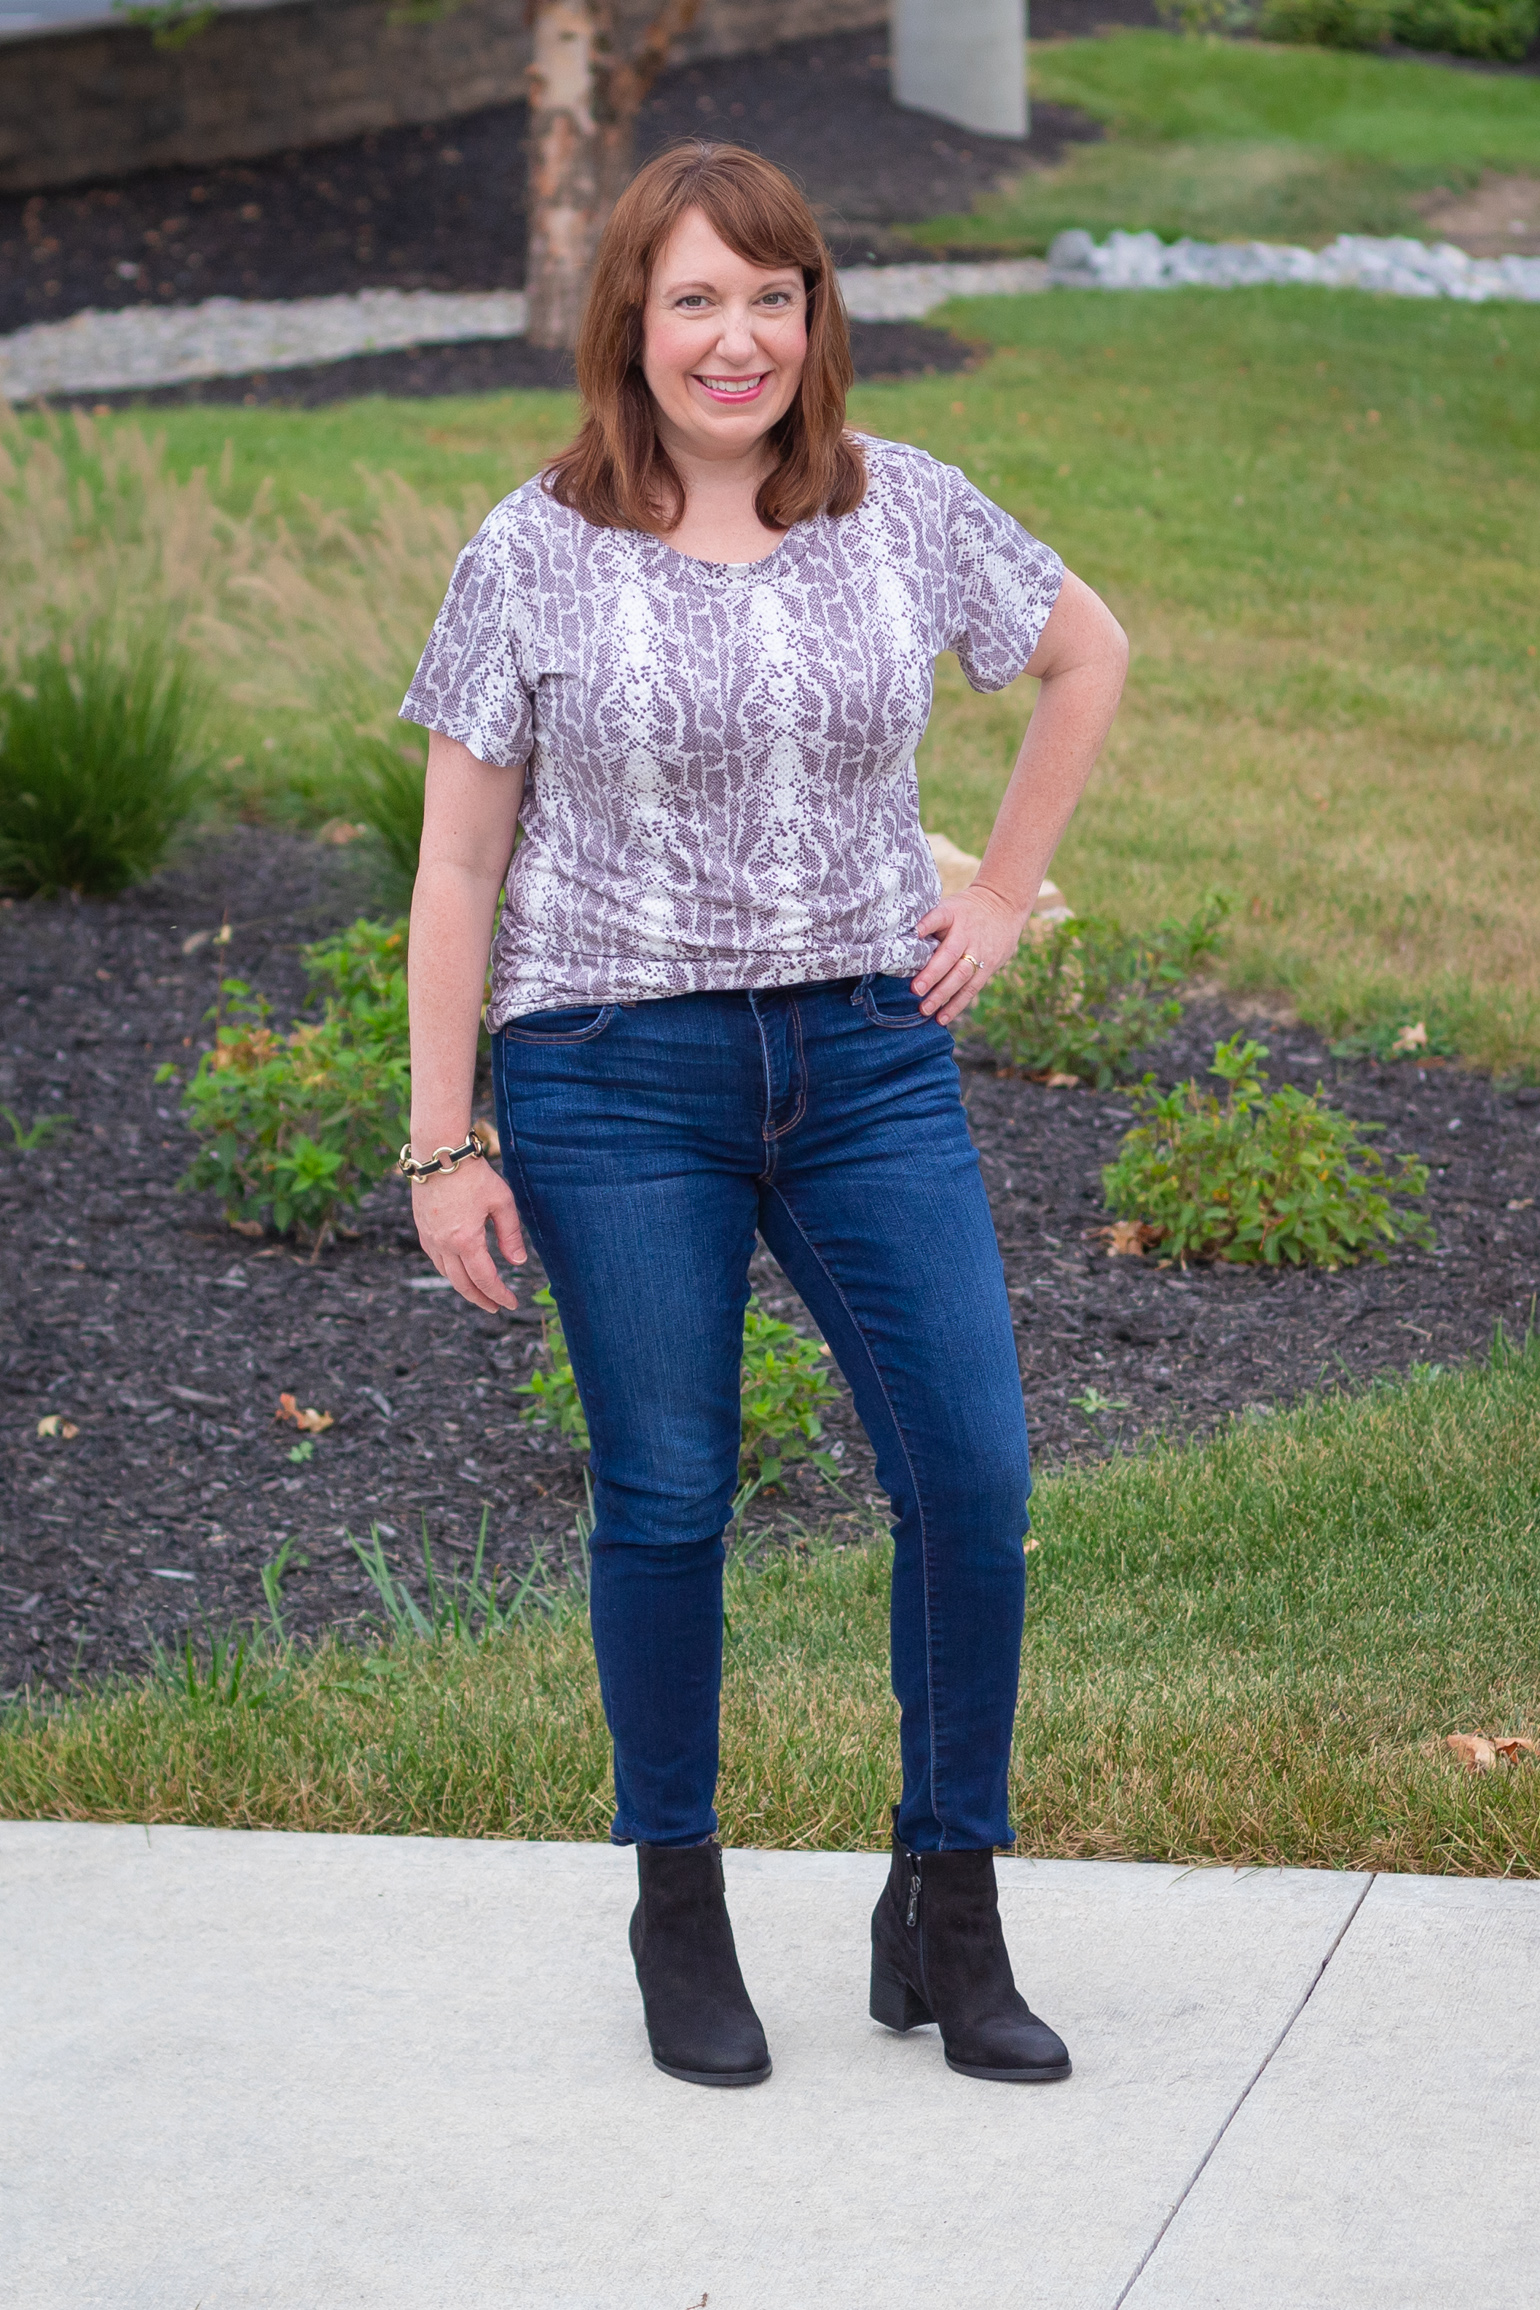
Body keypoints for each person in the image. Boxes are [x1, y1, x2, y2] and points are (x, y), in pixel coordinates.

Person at [399, 142, 1127, 2091]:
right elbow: (458, 867)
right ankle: (678, 1910)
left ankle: (943, 1906)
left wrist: (992, 895)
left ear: (817, 320)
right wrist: (444, 1138)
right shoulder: (530, 546)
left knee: (969, 1476)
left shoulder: (896, 509)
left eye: (771, 296)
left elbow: (1082, 653)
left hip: (861, 1059)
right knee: (664, 1491)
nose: (736, 338)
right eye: (694, 299)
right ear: (627, 323)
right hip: (609, 1074)